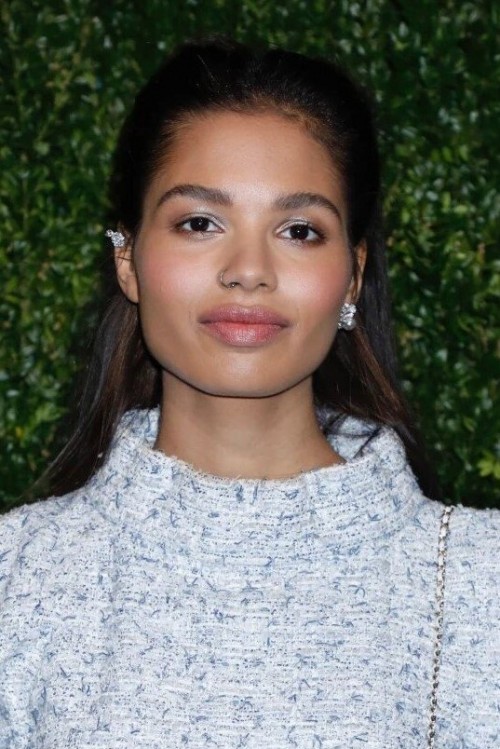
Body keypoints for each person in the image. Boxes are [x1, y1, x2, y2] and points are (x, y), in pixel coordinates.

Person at [0, 38, 498, 748]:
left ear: (353, 276)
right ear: (127, 259)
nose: (248, 269)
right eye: (200, 222)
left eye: (299, 230)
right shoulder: (18, 581)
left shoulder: (480, 584)